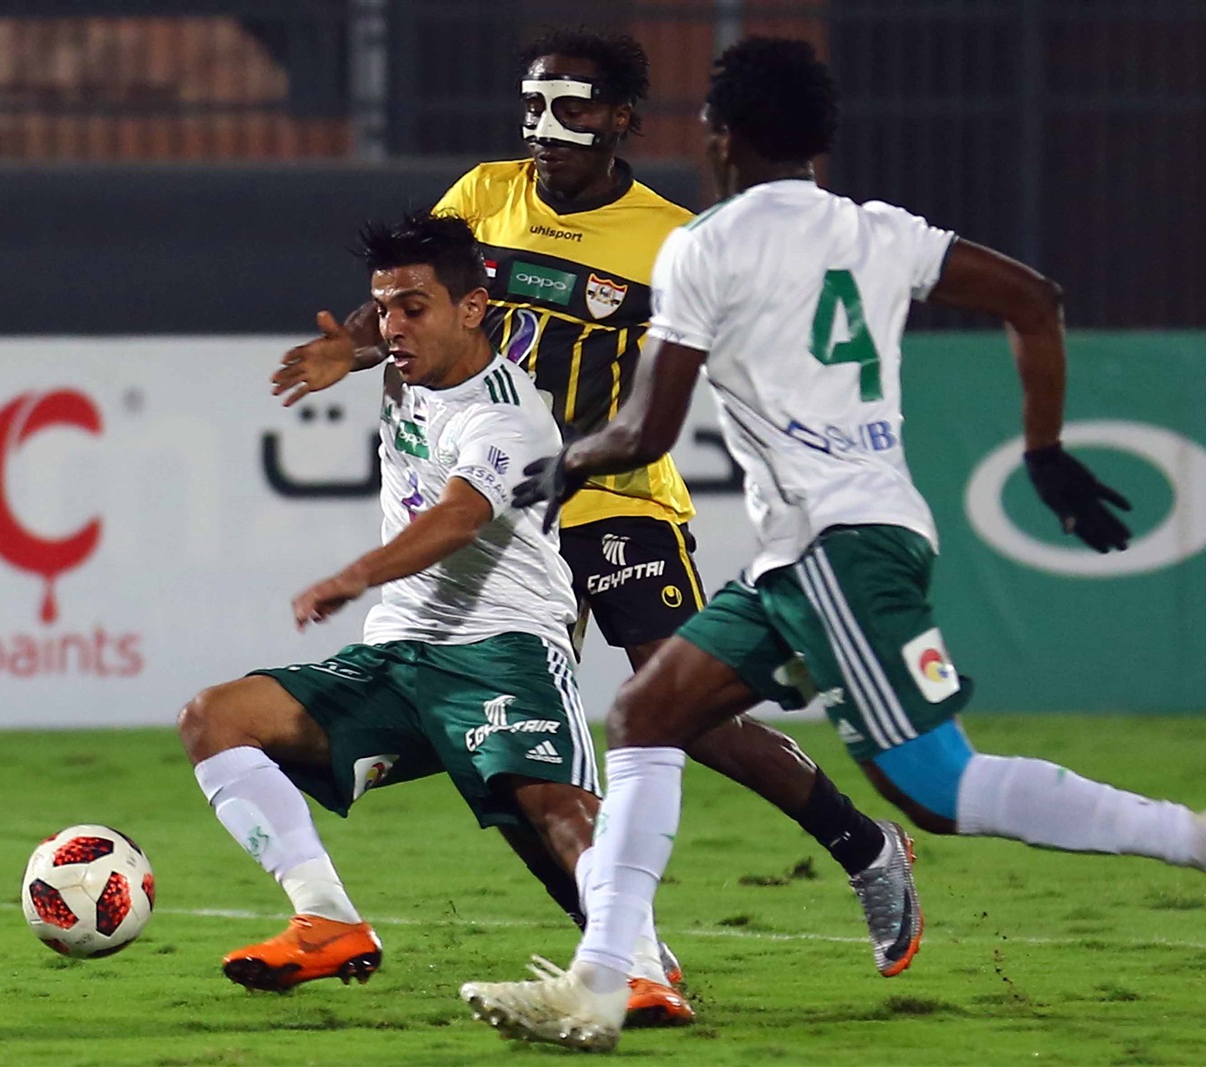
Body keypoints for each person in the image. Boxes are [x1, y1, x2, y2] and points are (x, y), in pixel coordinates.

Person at [459, 37, 1206, 1052]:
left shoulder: (703, 247)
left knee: (940, 789)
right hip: (810, 547)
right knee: (647, 712)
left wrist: (568, 460)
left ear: (719, 136)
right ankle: (602, 982)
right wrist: (1043, 451)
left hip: (839, 545)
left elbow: (645, 430)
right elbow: (1034, 299)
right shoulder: (877, 230)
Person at [271, 28, 920, 979]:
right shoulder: (483, 196)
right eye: (533, 106)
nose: (546, 127)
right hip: (502, 506)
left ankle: (866, 846)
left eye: (571, 107)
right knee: (514, 742)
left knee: (681, 704)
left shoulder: (670, 239)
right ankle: (621, 948)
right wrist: (357, 346)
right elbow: (414, 295)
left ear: (620, 117)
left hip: (611, 497)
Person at [177, 211, 691, 1024]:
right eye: (383, 308)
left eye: (413, 308)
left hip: (504, 650)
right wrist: (351, 349)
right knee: (215, 717)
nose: (392, 326)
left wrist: (355, 575)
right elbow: (386, 342)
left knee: (556, 810)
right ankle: (327, 920)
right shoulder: (403, 369)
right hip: (397, 659)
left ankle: (642, 969)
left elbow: (458, 518)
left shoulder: (510, 413)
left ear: (474, 308)